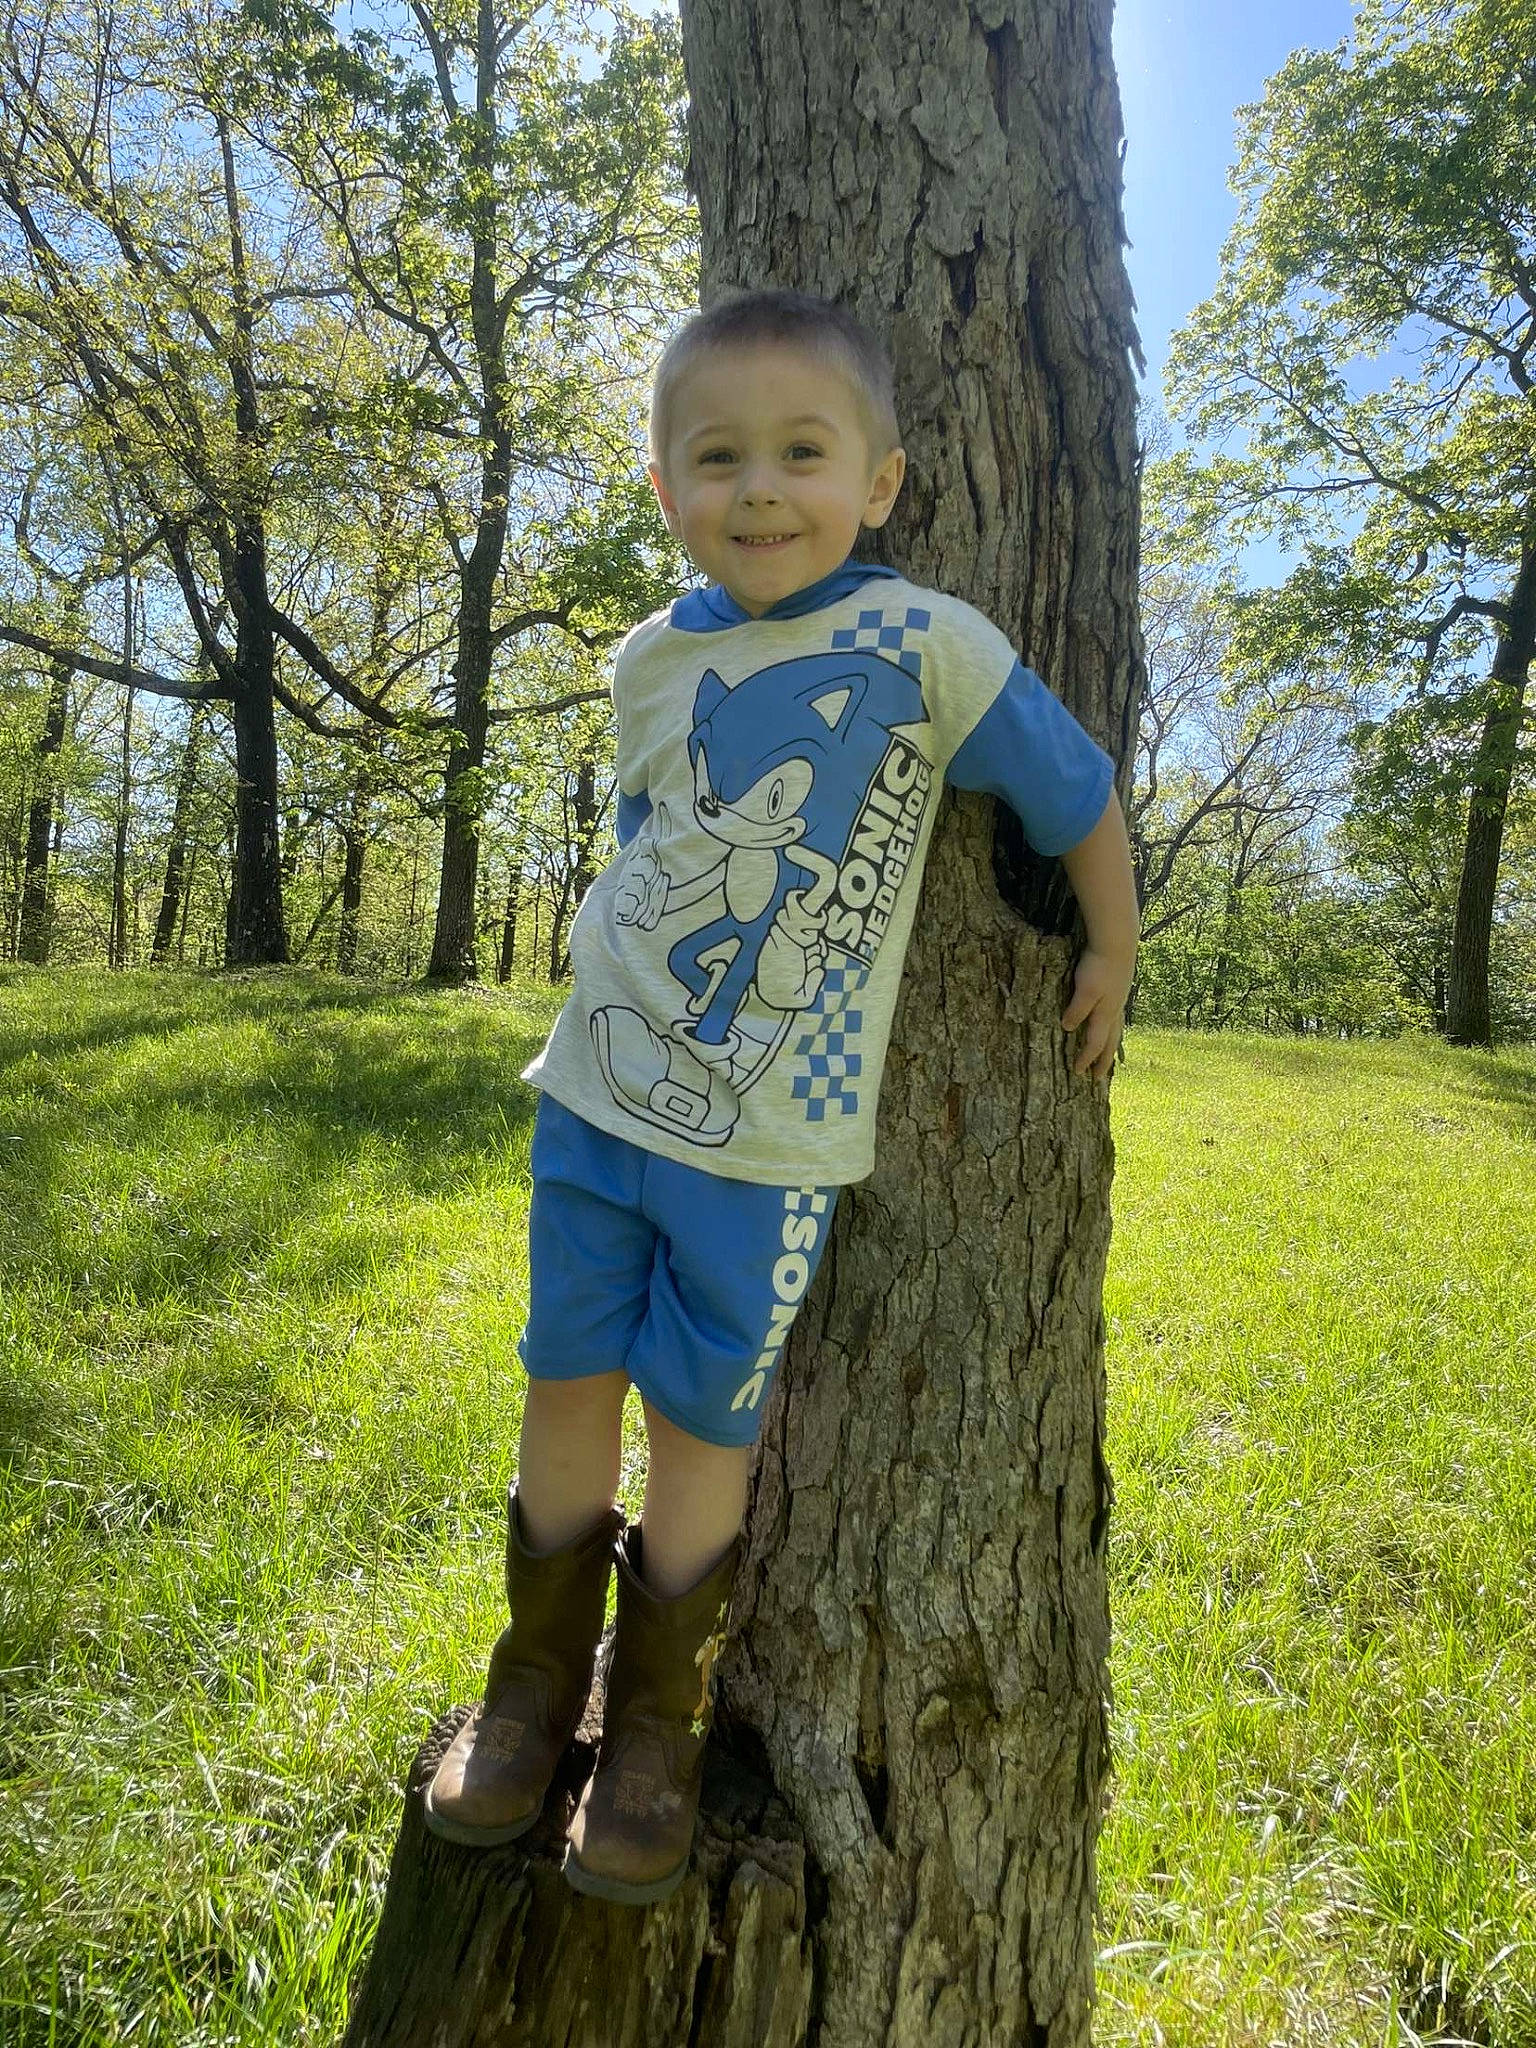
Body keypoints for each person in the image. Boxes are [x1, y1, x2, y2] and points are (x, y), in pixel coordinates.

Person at [423, 287, 1140, 1905]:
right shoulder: (651, 659)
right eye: (718, 456)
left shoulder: (922, 642)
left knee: (700, 1425)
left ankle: (657, 1716)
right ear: (667, 486)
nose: (760, 489)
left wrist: (1113, 939)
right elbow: (641, 850)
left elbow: (1076, 787)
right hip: (597, 1098)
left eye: (803, 453)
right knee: (562, 1380)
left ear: (877, 483)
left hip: (770, 1140)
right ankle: (533, 1686)